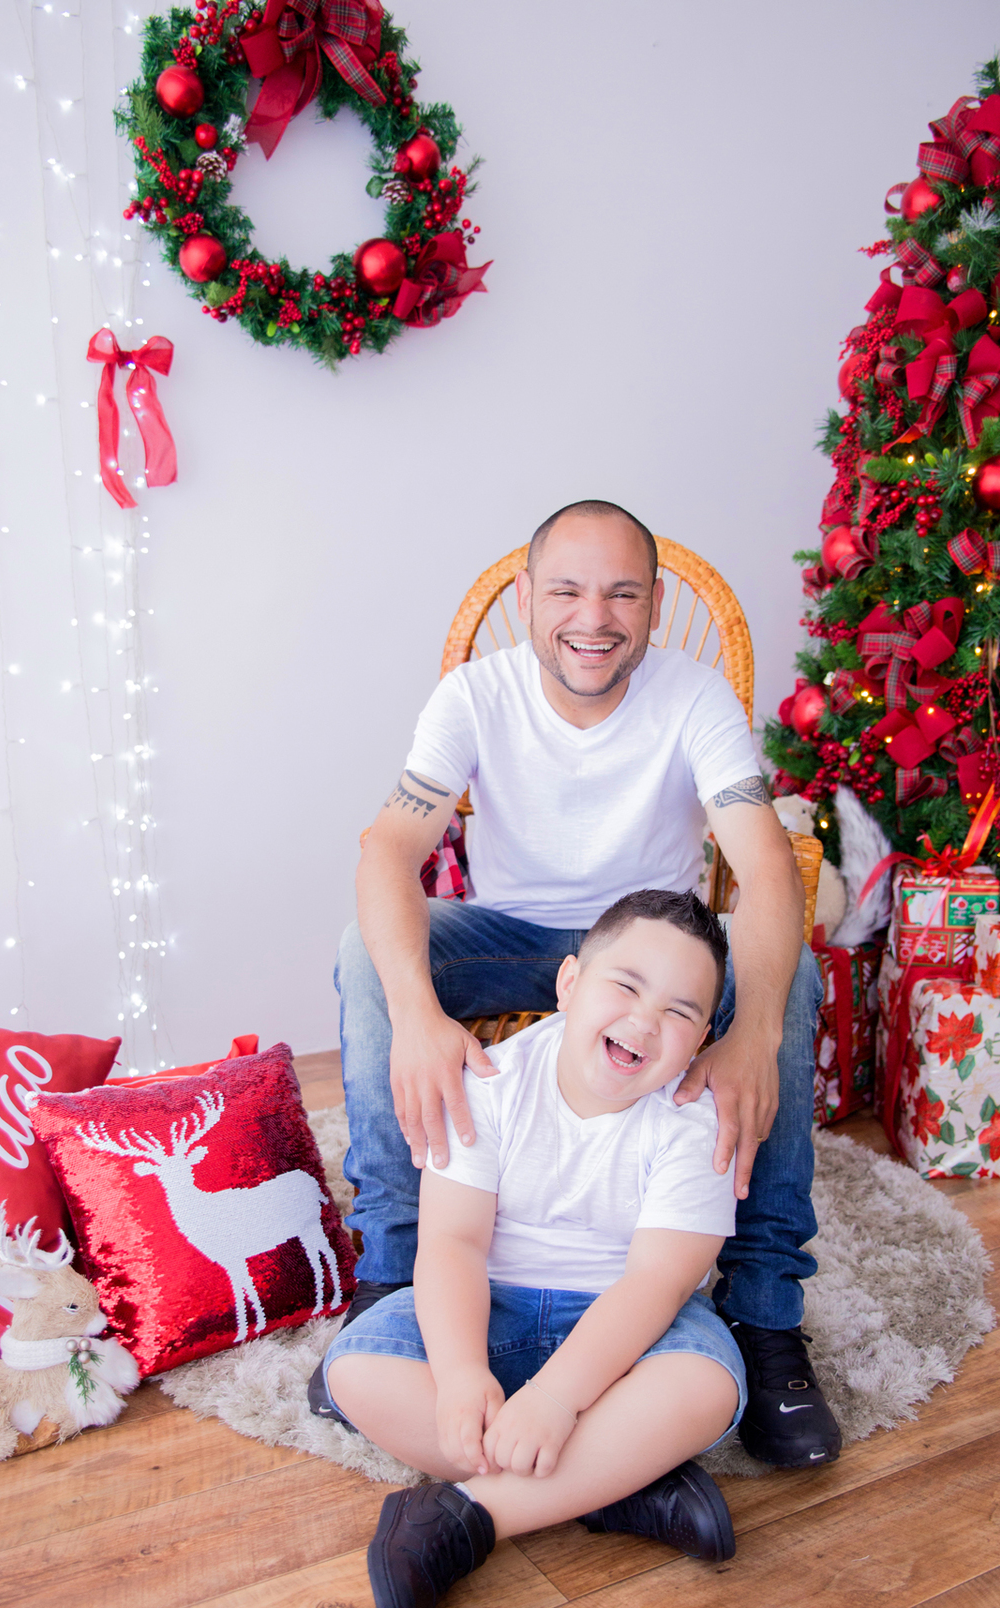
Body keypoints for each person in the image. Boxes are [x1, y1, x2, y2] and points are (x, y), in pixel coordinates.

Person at [313, 499, 840, 1469]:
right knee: (366, 946)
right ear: (525, 598)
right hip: (518, 937)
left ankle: (766, 1319)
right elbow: (389, 848)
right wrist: (421, 1016)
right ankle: (393, 1280)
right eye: (566, 589)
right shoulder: (476, 694)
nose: (592, 618)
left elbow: (766, 868)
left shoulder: (694, 698)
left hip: (655, 950)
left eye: (620, 593)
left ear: (651, 605)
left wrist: (754, 1027)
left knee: (790, 973)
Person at [324, 890, 745, 1608]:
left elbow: (657, 1281)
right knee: (356, 1369)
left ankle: (465, 1517)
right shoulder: (492, 1080)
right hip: (497, 1307)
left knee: (707, 1388)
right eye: (626, 986)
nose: (646, 1021)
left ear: (703, 1040)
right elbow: (451, 1243)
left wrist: (555, 1397)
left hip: (625, 1328)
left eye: (681, 1013)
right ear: (569, 983)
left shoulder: (697, 1119)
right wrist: (457, 1376)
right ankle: (617, 1489)